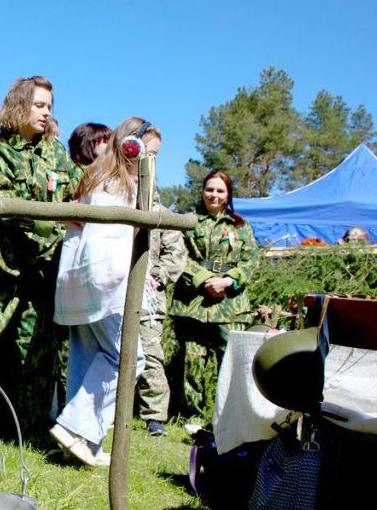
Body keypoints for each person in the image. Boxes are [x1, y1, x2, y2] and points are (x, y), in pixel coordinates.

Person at [0, 75, 81, 437]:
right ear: (19, 106)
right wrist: (56, 219)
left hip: (40, 271)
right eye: (39, 105)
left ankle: (29, 434)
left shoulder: (58, 153)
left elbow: (78, 194)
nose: (46, 113)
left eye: (49, 107)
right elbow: (5, 204)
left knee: (36, 354)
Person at [49, 118, 161, 465]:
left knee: (87, 356)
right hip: (106, 279)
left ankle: (83, 445)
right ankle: (73, 428)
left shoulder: (96, 176)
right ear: (131, 146)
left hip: (79, 280)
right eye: (148, 152)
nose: (149, 161)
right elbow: (112, 241)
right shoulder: (122, 184)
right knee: (129, 358)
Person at [168, 169, 260, 424]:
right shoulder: (188, 222)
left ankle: (226, 417)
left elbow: (251, 259)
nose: (214, 195)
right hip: (193, 303)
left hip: (229, 305)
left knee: (229, 363)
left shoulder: (240, 226)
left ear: (228, 195)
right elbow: (178, 255)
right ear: (202, 191)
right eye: (210, 189)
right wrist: (203, 279)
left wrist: (228, 281)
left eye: (220, 190)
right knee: (192, 362)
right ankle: (191, 416)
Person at [137, 223, 188, 436]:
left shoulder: (160, 215)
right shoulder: (116, 200)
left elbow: (176, 253)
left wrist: (155, 275)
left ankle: (155, 417)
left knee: (150, 354)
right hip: (112, 291)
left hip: (148, 297)